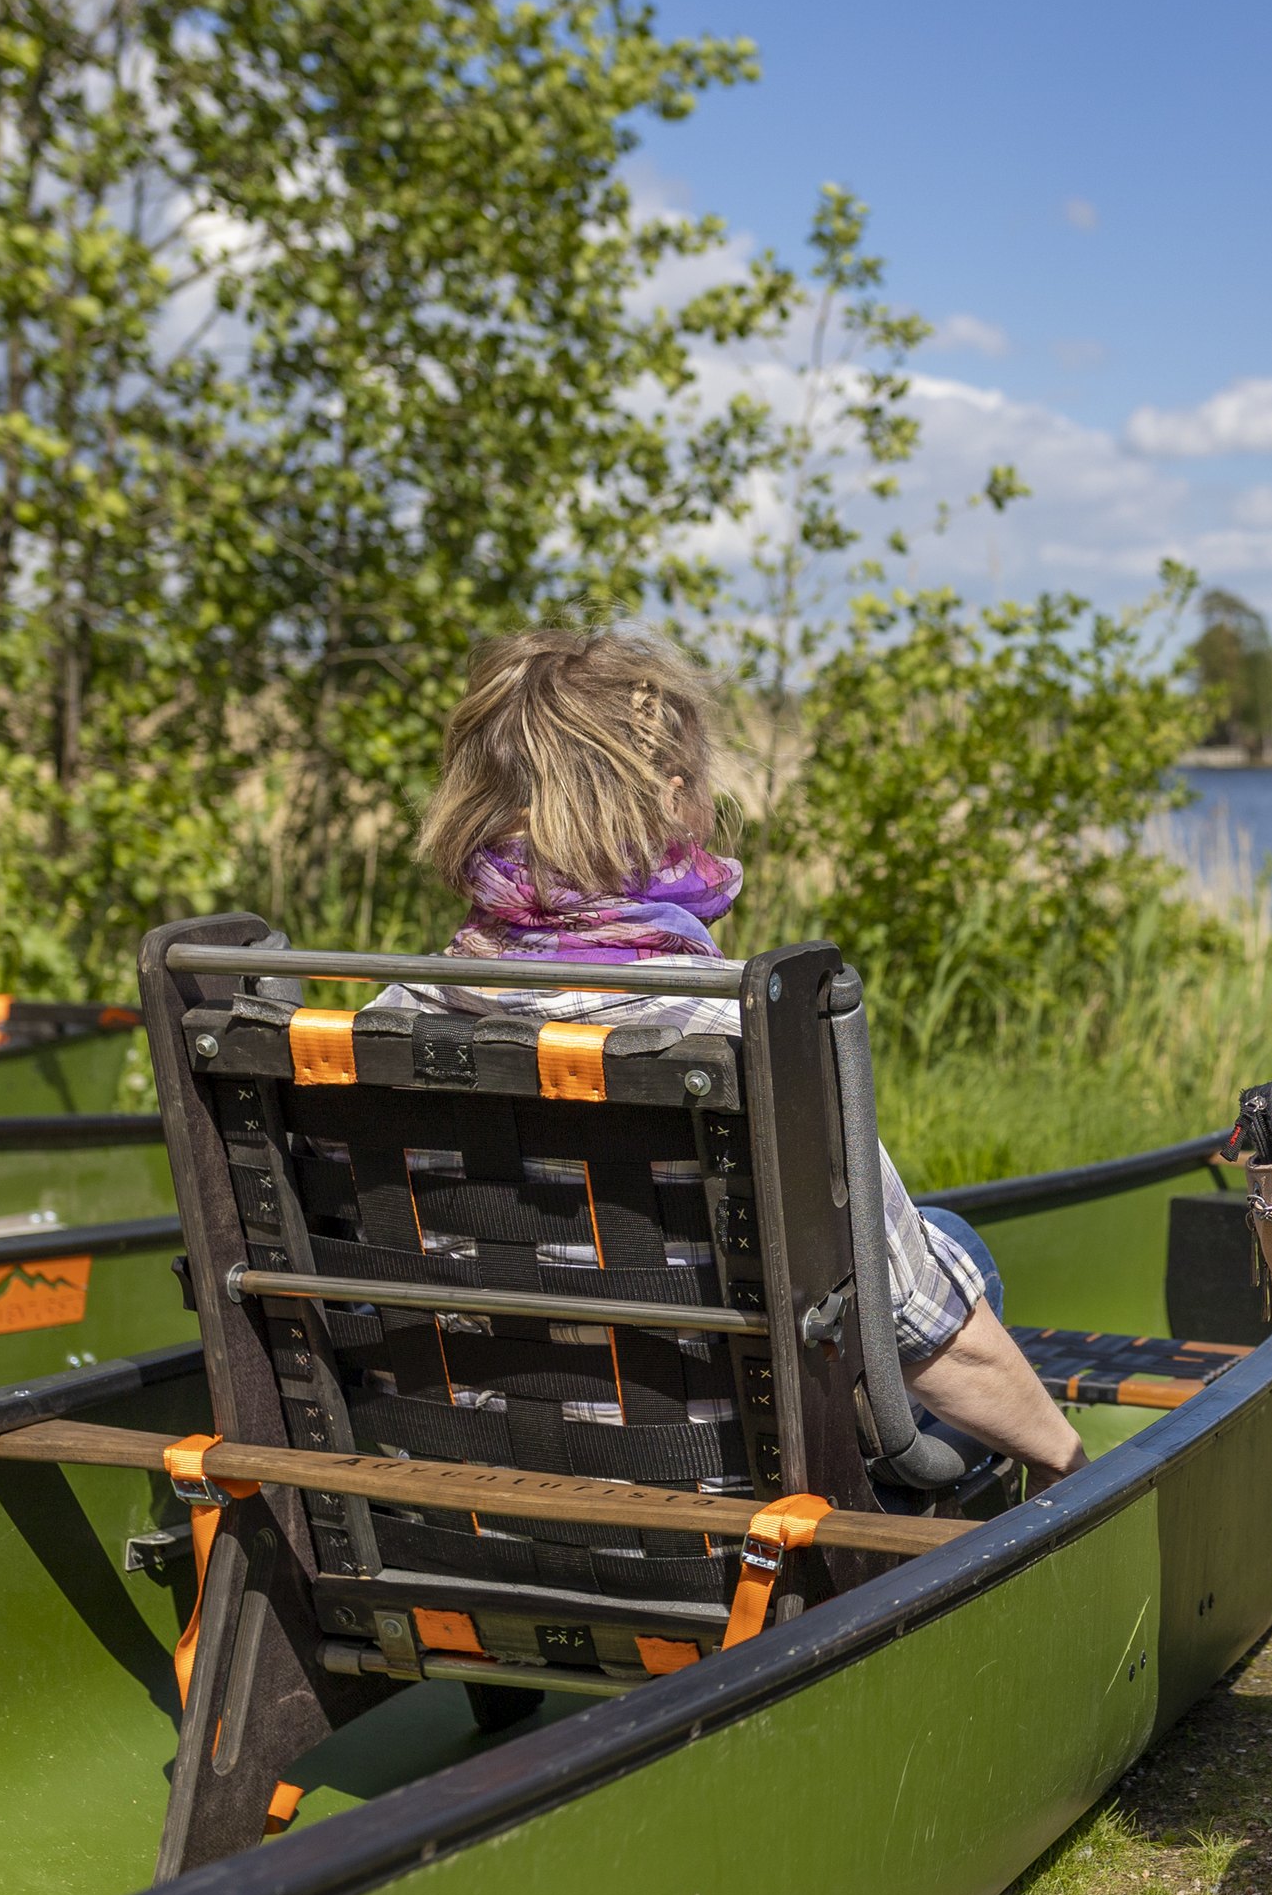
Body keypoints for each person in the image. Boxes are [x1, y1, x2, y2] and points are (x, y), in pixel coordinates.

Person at [374, 625, 1087, 1488]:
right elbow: (924, 1329)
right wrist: (1070, 1464)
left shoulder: (385, 1023)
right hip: (720, 1514)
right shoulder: (730, 1033)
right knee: (945, 1253)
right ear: (673, 800)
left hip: (465, 1493)